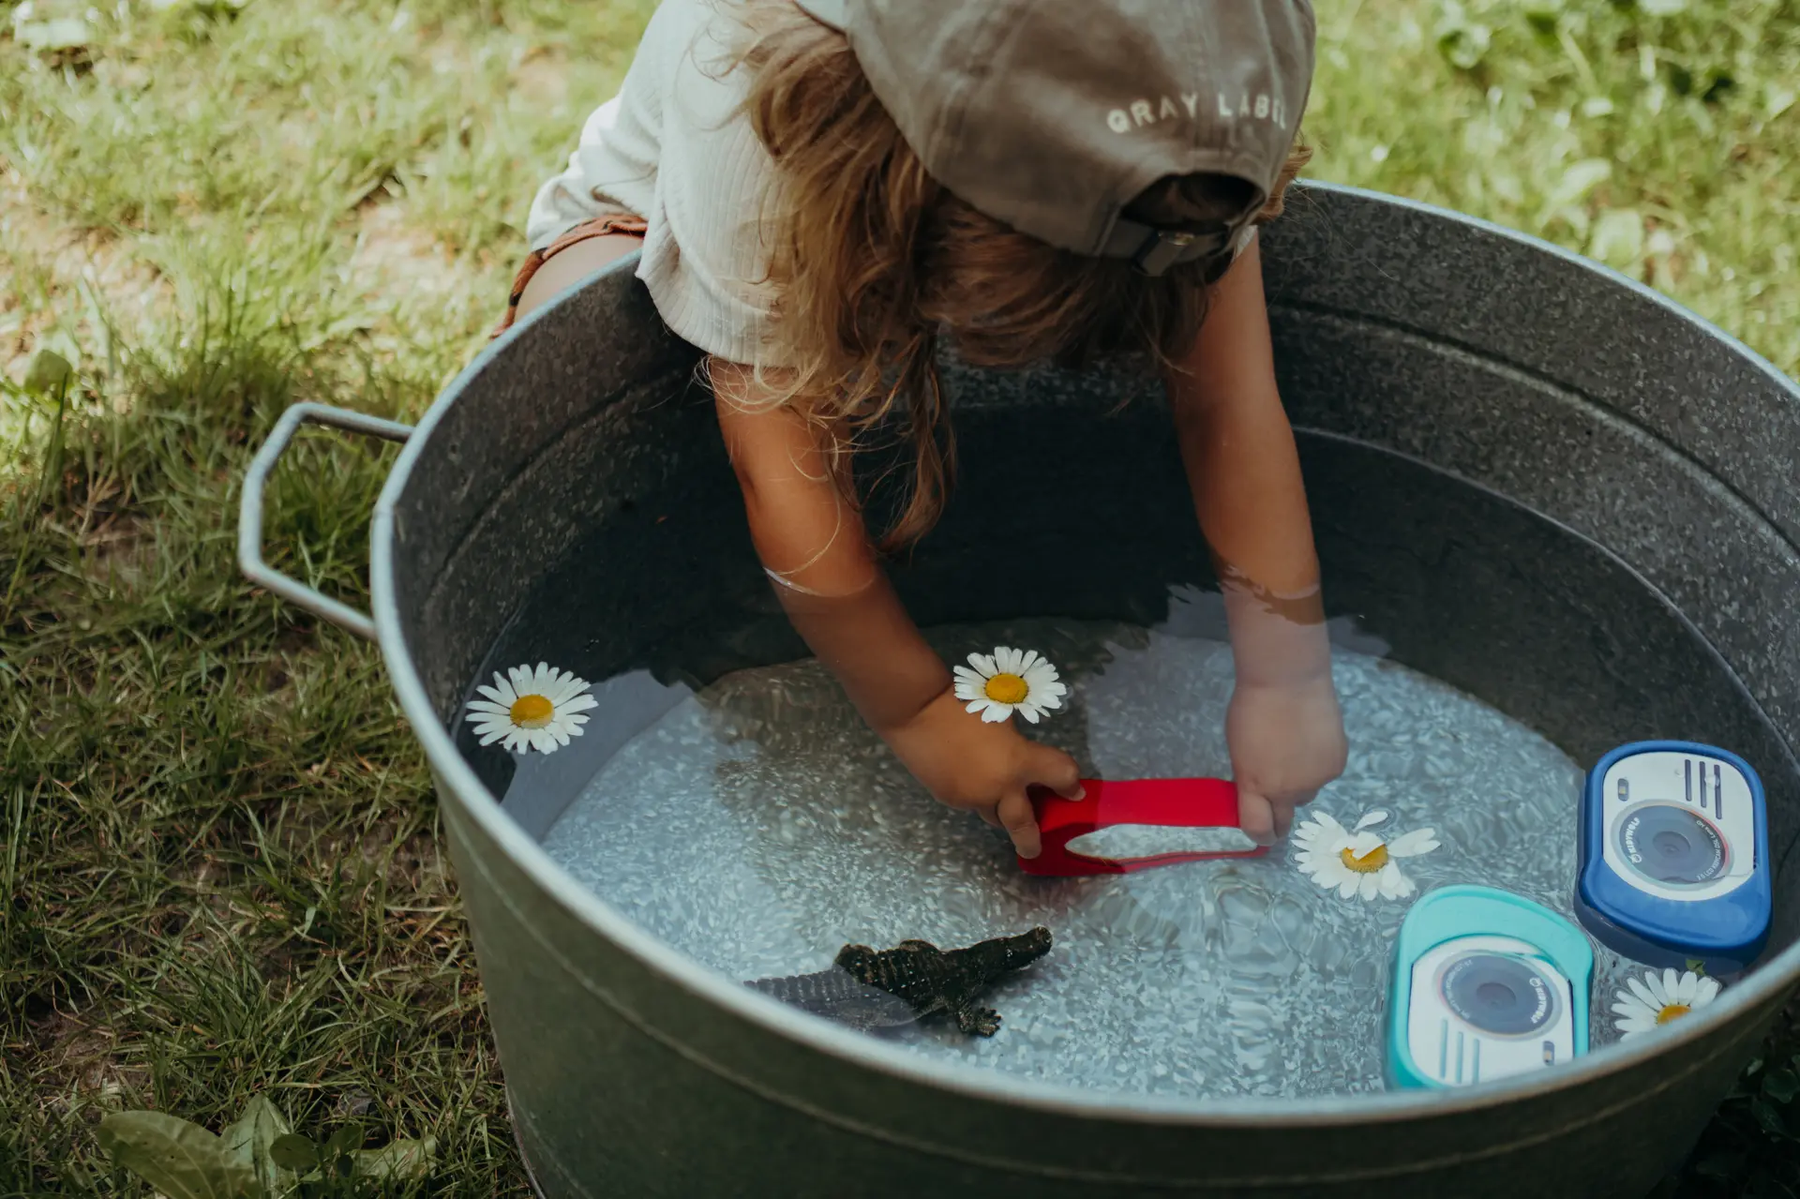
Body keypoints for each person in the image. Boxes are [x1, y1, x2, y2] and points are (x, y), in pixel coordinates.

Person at [498, 0, 1348, 858]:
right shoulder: (752, 86)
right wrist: (921, 713)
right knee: (583, 341)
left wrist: (1288, 672)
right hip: (674, 223)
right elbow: (778, 470)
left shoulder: (1195, 116)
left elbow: (1229, 404)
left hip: (928, 195)